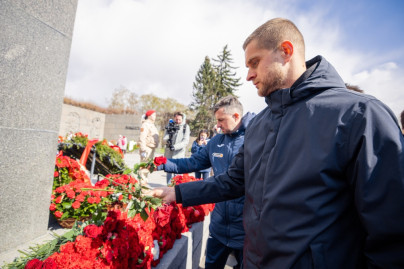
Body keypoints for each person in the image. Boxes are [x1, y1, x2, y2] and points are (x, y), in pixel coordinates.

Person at [149, 18, 404, 268]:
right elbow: (235, 179)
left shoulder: (360, 115)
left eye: (255, 63)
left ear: (285, 51)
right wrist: (178, 193)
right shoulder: (260, 123)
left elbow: (391, 232)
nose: (248, 75)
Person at [159, 96, 254, 268]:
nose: (217, 125)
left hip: (246, 231)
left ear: (236, 116)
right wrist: (164, 164)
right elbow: (192, 163)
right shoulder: (216, 142)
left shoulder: (255, 139)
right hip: (218, 227)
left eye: (221, 120)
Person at [163, 111, 190, 184]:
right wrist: (167, 141)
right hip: (169, 153)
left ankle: (176, 189)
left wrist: (175, 147)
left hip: (179, 154)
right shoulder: (169, 125)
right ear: (174, 118)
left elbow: (185, 141)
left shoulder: (185, 127)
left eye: (179, 120)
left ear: (182, 119)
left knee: (177, 173)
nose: (177, 121)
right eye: (176, 119)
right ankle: (168, 187)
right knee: (168, 171)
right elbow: (165, 136)